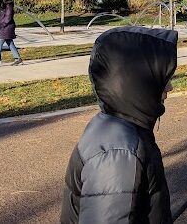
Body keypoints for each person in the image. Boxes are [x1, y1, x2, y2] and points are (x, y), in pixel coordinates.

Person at [61, 27, 178, 224]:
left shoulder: (118, 126)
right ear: (138, 82)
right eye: (162, 79)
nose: (170, 87)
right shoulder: (118, 153)